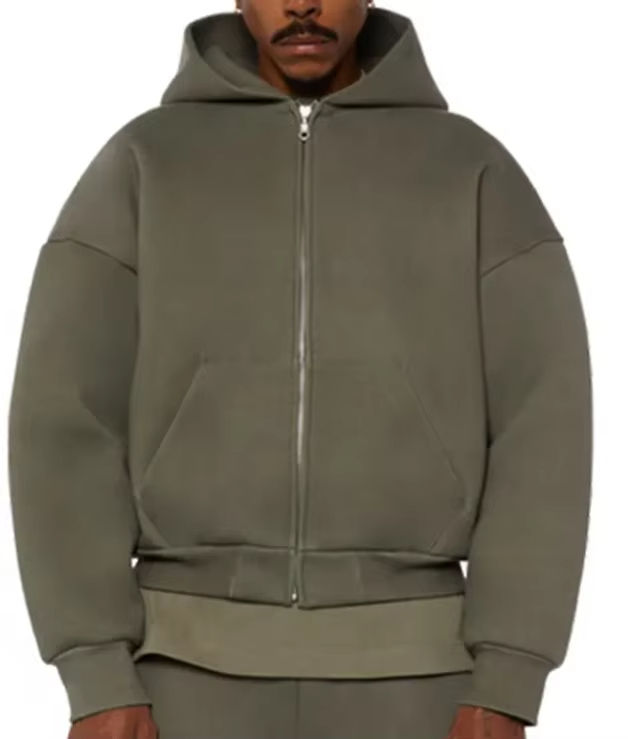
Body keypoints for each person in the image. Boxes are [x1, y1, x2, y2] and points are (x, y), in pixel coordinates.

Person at [7, 1, 593, 738]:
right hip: (175, 675)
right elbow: (63, 415)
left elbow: (543, 425)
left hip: (421, 680)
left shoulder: (472, 171)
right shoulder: (143, 164)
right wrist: (95, 670)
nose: (302, 3)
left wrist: (509, 678)